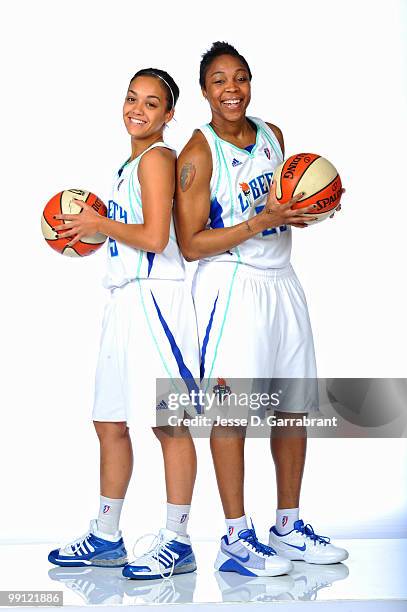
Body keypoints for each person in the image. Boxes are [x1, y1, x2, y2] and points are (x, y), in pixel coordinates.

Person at [175, 41, 348, 576]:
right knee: (233, 412)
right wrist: (260, 221)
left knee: (294, 406)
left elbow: (287, 202)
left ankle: (289, 526)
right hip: (232, 286)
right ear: (205, 91)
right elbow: (189, 243)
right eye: (220, 81)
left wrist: (314, 207)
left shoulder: (273, 135)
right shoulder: (197, 154)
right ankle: (235, 536)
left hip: (282, 280)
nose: (233, 89)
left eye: (241, 78)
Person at [48, 68, 199, 580]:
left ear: (169, 115)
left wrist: (96, 224)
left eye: (152, 103)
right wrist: (91, 235)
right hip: (123, 299)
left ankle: (178, 541)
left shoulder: (158, 160)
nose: (138, 109)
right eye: (132, 98)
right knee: (109, 421)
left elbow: (157, 237)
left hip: (157, 299)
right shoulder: (128, 164)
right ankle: (107, 536)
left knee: (169, 424)